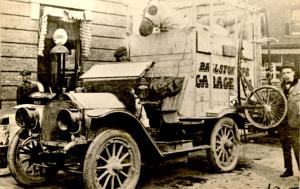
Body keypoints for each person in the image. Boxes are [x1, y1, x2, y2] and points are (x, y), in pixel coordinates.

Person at [278, 62, 300, 177]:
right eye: (284, 73)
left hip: (297, 122)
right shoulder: (279, 87)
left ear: (293, 73)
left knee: (298, 148)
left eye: (288, 72)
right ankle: (288, 169)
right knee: (285, 147)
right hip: (283, 122)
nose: (286, 75)